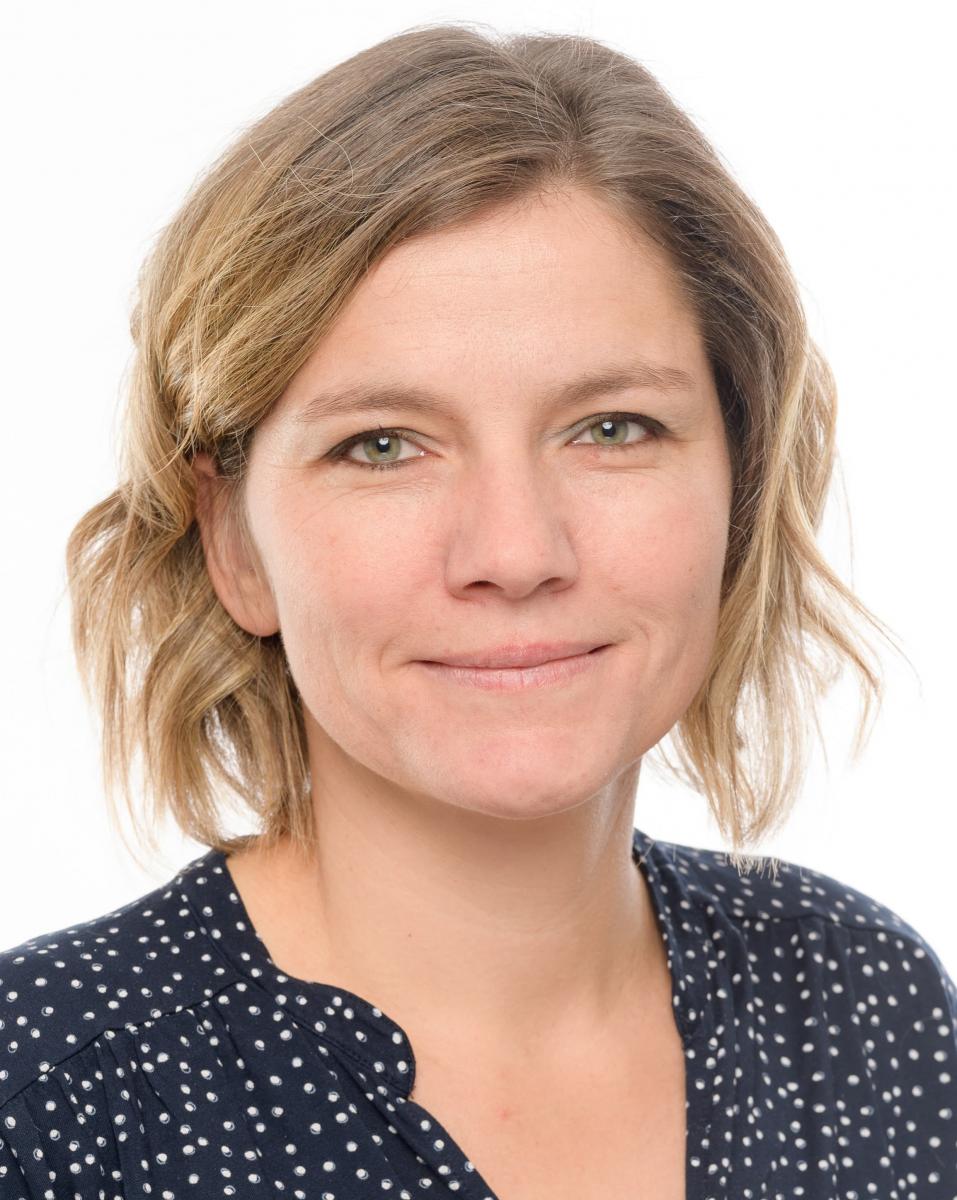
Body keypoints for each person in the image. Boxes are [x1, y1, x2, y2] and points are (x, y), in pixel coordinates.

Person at [1, 21, 954, 1200]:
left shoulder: (868, 1010)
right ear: (233, 541)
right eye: (383, 445)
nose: (515, 552)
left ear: (740, 491)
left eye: (612, 428)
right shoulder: (47, 1102)